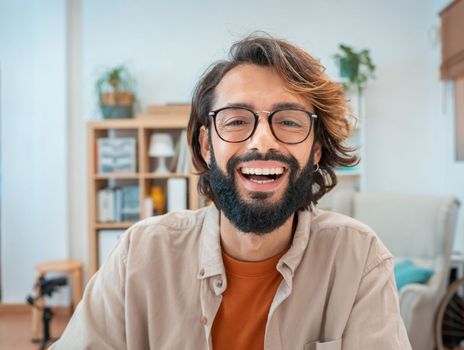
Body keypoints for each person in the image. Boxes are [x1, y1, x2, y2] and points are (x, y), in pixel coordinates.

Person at [51, 34, 411, 350]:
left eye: (288, 121)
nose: (262, 141)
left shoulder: (359, 258)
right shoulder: (139, 256)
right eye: (237, 120)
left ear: (316, 149)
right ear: (207, 145)